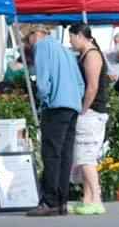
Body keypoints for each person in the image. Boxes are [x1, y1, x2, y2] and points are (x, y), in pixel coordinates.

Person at [20, 24, 82, 216]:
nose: (29, 44)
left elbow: (43, 78)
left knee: (51, 154)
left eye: (28, 38)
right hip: (72, 105)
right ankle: (62, 200)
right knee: (65, 155)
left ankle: (49, 201)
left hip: (56, 105)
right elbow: (80, 82)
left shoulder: (42, 46)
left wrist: (43, 99)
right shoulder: (65, 49)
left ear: (36, 34)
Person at [68, 23, 108, 215]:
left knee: (86, 157)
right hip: (90, 111)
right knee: (83, 156)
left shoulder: (92, 55)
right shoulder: (86, 54)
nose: (70, 41)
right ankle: (87, 198)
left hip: (92, 111)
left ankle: (97, 199)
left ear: (80, 35)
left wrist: (83, 109)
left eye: (71, 37)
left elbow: (92, 87)